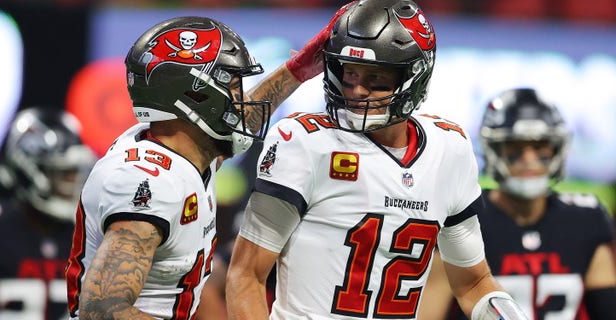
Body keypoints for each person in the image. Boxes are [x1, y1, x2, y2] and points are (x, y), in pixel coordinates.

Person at [225, 1, 528, 319]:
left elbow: (473, 283)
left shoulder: (449, 148)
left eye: (376, 79)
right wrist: (292, 73)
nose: (356, 90)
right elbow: (246, 275)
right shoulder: (304, 142)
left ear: (413, 77)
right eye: (349, 73)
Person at [65, 11, 348, 318]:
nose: (243, 100)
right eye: (234, 86)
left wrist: (298, 70)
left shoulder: (183, 150)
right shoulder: (148, 184)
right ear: (195, 96)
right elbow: (102, 310)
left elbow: (236, 122)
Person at [418, 88, 616, 320]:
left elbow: (607, 310)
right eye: (515, 148)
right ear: (494, 150)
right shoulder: (462, 215)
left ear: (556, 149)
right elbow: (428, 313)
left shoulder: (585, 218)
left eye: (540, 147)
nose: (529, 160)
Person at [0, 107, 96, 319]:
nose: (72, 183)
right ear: (28, 170)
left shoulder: (85, 236)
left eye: (75, 172)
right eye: (62, 172)